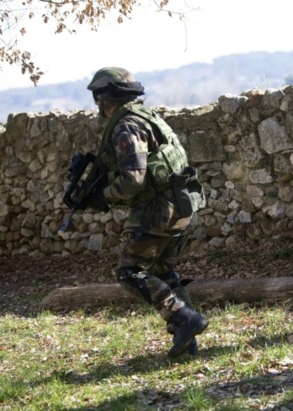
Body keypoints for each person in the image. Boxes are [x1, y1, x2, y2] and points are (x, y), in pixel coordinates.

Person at [85, 67, 208, 357]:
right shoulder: (147, 118)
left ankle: (183, 318)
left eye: (97, 100)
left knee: (130, 272)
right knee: (165, 273)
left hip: (157, 212)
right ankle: (187, 341)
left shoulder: (126, 127)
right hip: (180, 205)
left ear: (105, 99)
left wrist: (103, 196)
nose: (97, 108)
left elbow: (133, 179)